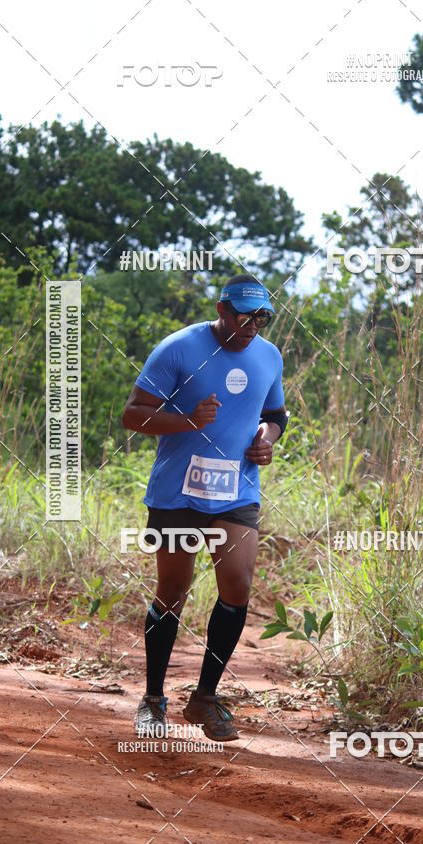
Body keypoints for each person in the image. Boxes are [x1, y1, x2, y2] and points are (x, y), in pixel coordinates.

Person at [121, 274, 288, 741]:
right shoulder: (178, 348)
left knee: (237, 586)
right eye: (244, 314)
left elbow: (275, 416)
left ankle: (205, 699)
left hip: (236, 491)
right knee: (173, 590)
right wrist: (188, 421)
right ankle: (153, 700)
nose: (253, 325)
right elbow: (133, 414)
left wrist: (266, 440)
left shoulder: (269, 356)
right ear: (221, 309)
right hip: (178, 492)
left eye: (262, 317)